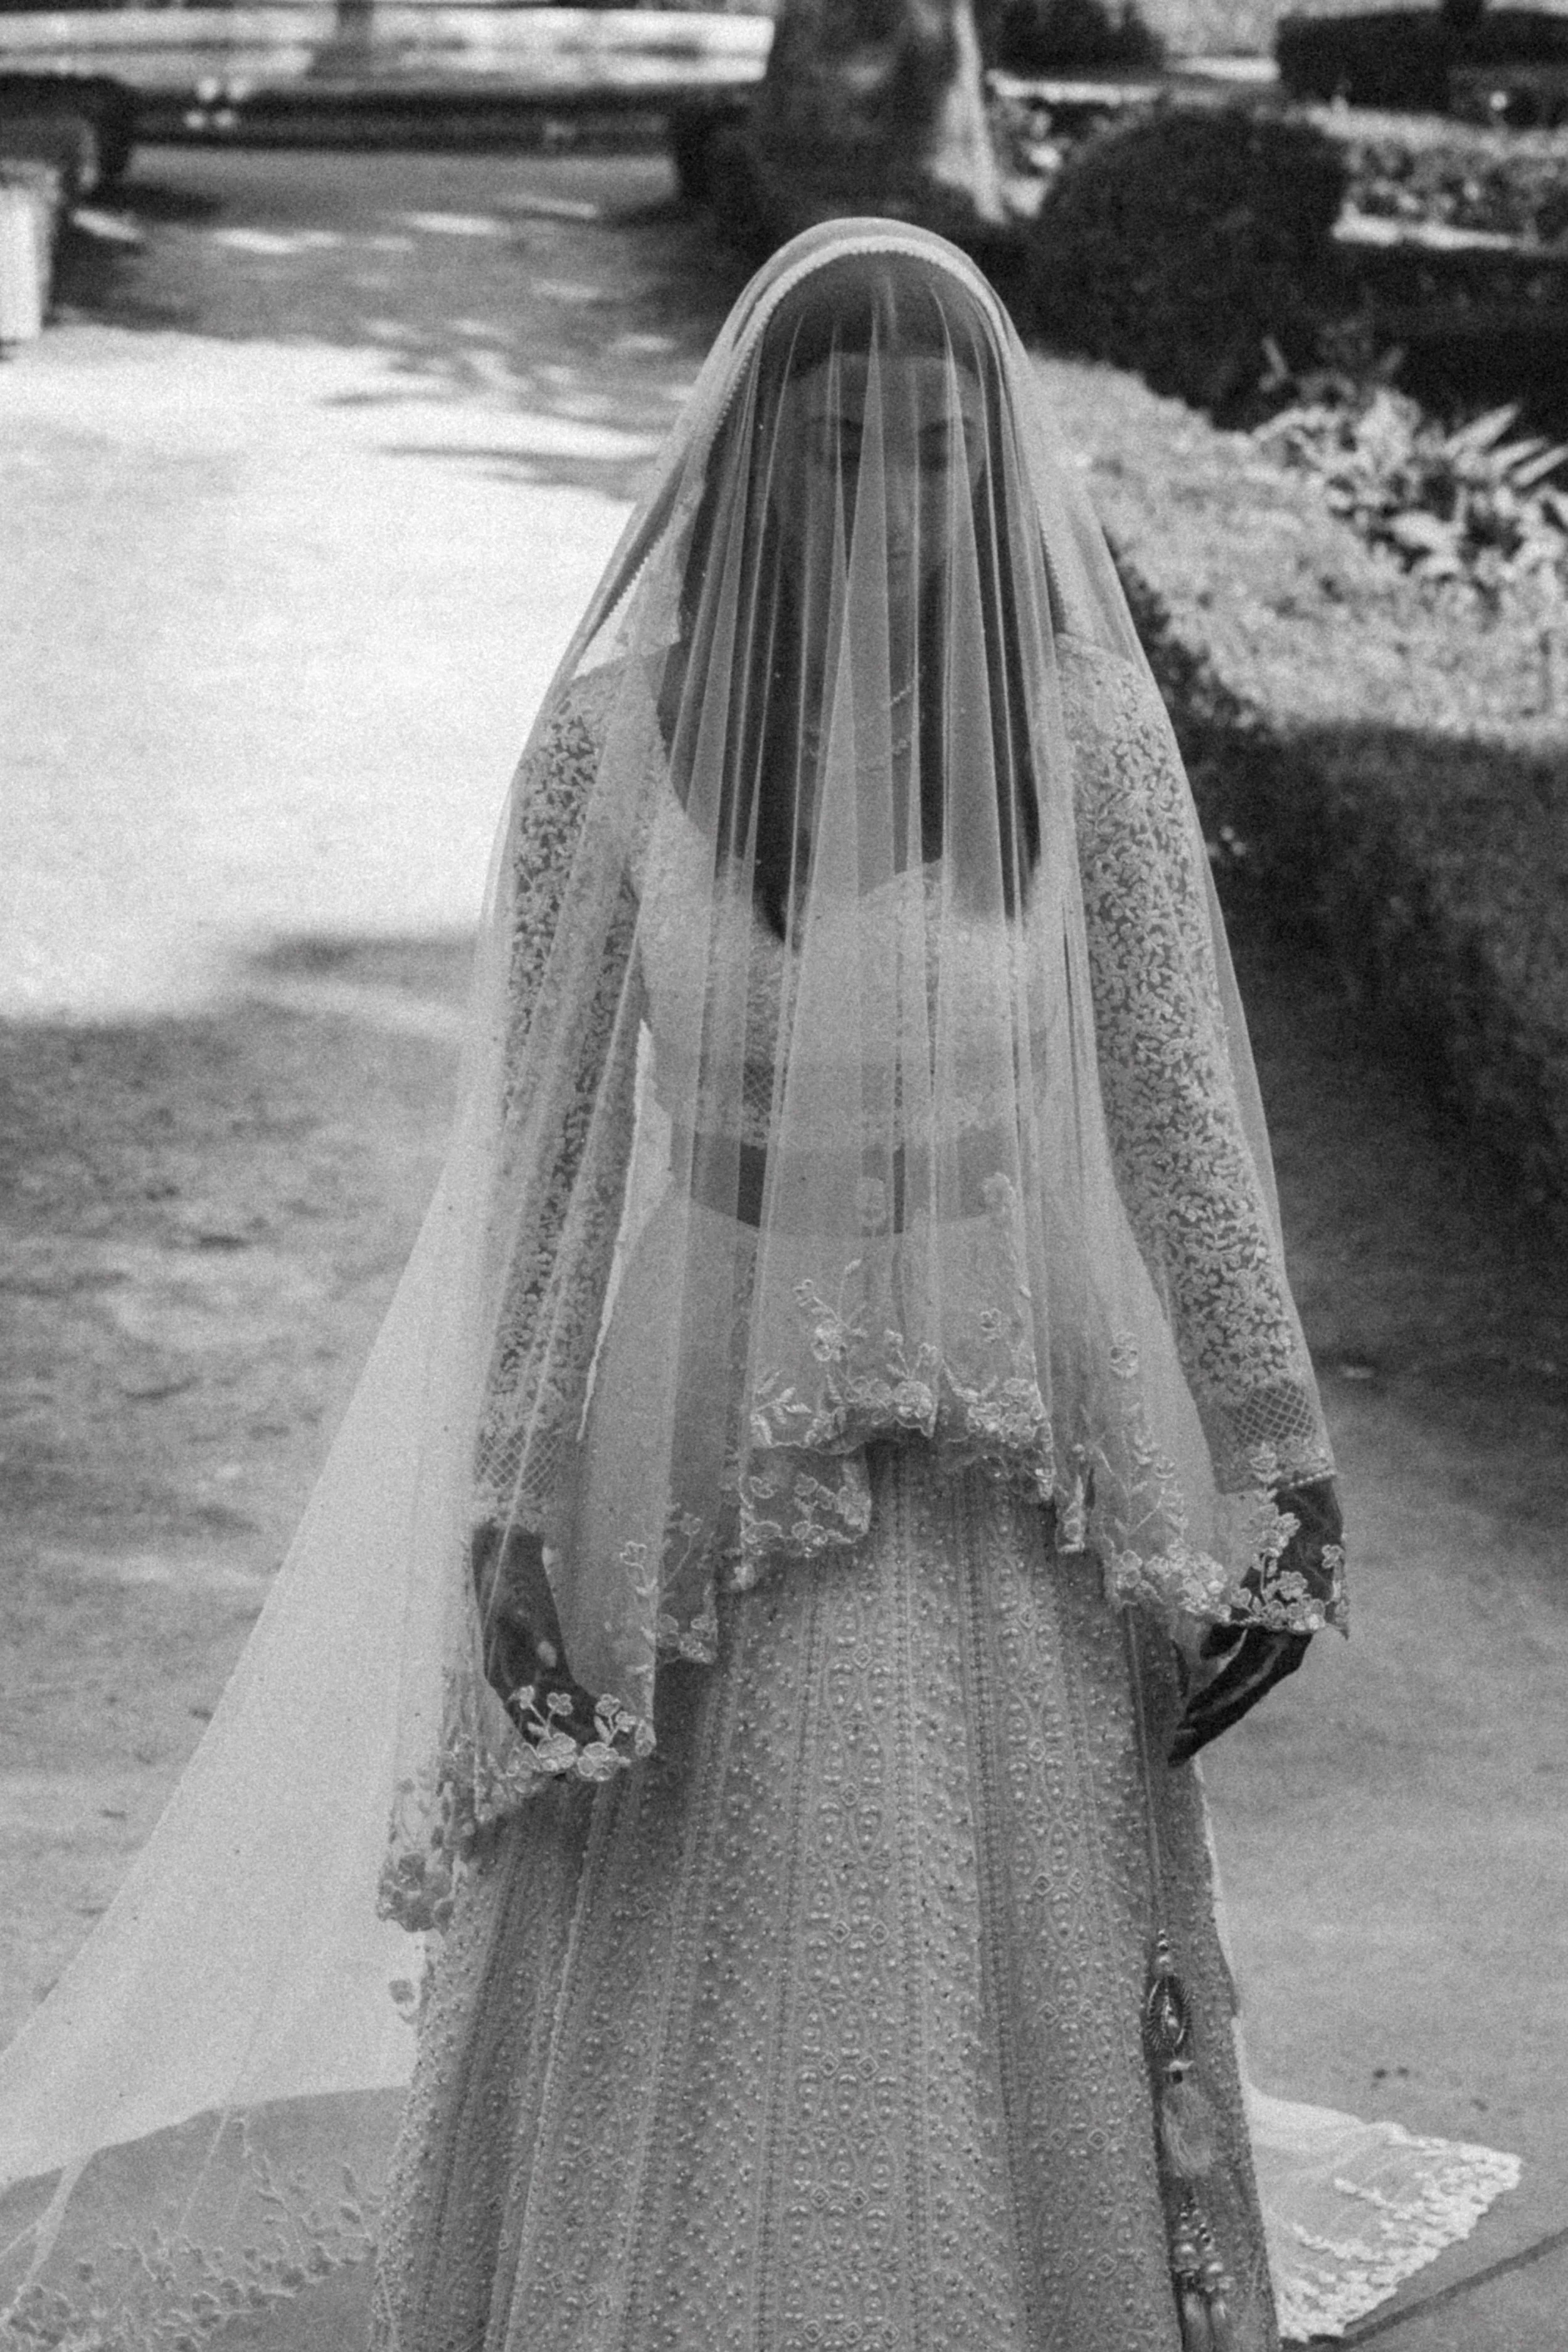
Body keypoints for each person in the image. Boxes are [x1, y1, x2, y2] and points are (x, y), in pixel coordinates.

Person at [0, 220, 1517, 2352]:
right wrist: (508, 1494)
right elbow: (547, 1156)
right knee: (706, 1934)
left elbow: (1176, 1110)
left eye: (935, 453)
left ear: (990, 470)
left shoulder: (1076, 728)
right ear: (753, 464)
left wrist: (1283, 1457)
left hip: (1021, 1451)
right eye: (840, 451)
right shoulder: (611, 745)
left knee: (1000, 1934)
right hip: (696, 1444)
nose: (894, 505)